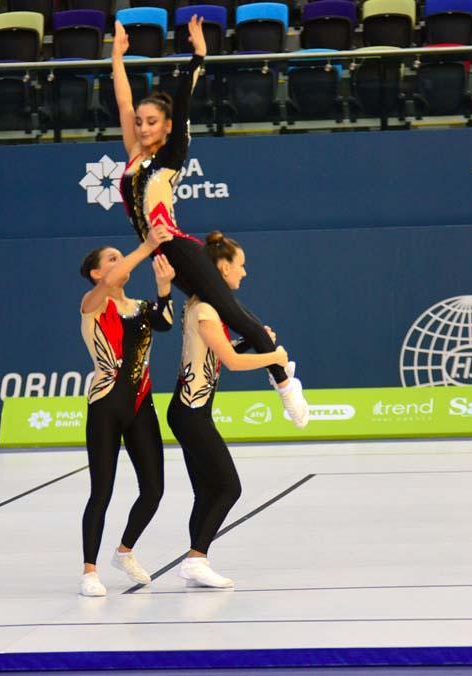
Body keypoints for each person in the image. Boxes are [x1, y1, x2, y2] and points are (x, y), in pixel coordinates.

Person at [111, 16, 310, 428]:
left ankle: (284, 379)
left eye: (152, 122)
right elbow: (124, 102)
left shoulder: (171, 154)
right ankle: (274, 362)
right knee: (226, 312)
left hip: (179, 247)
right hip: (163, 252)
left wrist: (197, 56)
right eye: (140, 123)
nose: (143, 127)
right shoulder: (133, 153)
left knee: (233, 313)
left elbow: (182, 101)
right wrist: (116, 57)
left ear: (166, 127)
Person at [168, 231, 289, 589]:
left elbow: (216, 351)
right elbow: (231, 362)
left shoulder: (201, 304)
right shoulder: (206, 307)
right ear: (222, 268)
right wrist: (275, 357)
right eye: (241, 266)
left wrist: (250, 340)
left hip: (191, 410)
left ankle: (197, 561)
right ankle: (196, 559)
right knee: (229, 488)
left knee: (206, 491)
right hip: (190, 412)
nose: (245, 273)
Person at [78, 226, 176, 597]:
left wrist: (164, 287)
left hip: (141, 403)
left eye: (122, 257)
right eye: (112, 259)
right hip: (106, 403)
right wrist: (146, 246)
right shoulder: (93, 302)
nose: (120, 264)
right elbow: (108, 286)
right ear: (97, 274)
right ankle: (89, 571)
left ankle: (124, 551)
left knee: (153, 489)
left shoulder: (138, 307)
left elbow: (165, 322)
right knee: (101, 490)